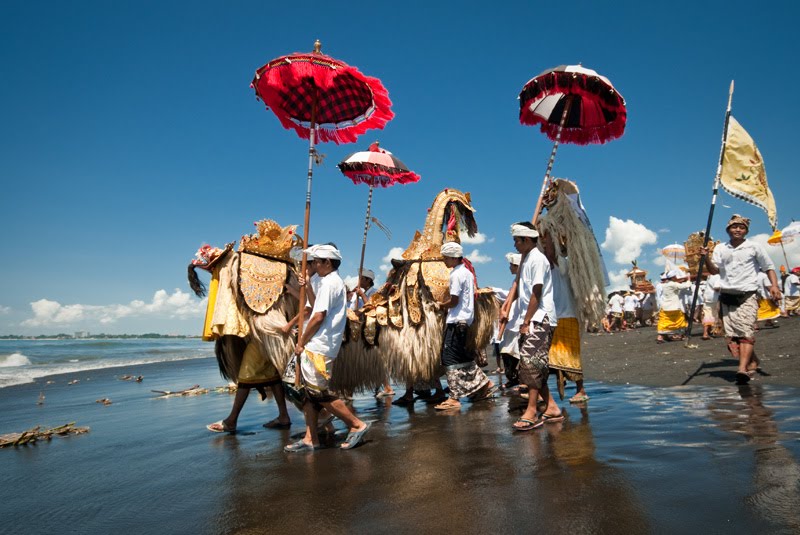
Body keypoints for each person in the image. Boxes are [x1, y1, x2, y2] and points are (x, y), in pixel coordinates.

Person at [284, 244, 371, 452]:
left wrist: (301, 342)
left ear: (328, 263)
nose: (313, 265)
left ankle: (357, 424)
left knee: (317, 392)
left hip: (319, 345)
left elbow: (318, 316)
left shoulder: (331, 283)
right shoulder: (326, 282)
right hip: (317, 343)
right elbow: (315, 307)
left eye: (316, 261)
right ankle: (310, 438)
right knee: (303, 390)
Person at [702, 214, 781, 384]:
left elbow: (769, 267)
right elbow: (714, 271)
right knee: (733, 336)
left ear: (746, 231)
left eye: (742, 227)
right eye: (734, 227)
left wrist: (774, 286)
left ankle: (742, 369)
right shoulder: (720, 248)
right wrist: (706, 257)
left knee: (745, 332)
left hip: (748, 295)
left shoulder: (754, 247)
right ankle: (753, 361)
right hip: (727, 296)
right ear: (728, 230)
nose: (738, 229)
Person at [507, 222, 563, 431]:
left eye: (517, 240)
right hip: (532, 318)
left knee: (532, 364)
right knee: (534, 365)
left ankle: (531, 411)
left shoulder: (538, 259)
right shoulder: (527, 259)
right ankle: (551, 407)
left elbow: (536, 293)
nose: (515, 244)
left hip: (540, 318)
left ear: (527, 240)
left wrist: (526, 321)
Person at [433, 241, 495, 411]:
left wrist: (440, 305)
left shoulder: (455, 275)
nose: (444, 261)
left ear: (453, 257)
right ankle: (486, 384)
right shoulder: (466, 273)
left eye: (445, 258)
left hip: (456, 321)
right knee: (463, 357)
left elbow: (454, 301)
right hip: (464, 321)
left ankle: (454, 398)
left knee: (449, 358)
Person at [541, 231, 589, 404]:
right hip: (557, 316)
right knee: (553, 357)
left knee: (570, 356)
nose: (545, 249)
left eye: (548, 245)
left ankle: (581, 390)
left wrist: (547, 229)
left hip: (566, 316)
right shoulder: (550, 267)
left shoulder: (562, 263)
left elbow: (550, 255)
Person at [497, 253, 522, 389]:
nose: (509, 268)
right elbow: (509, 296)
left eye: (512, 265)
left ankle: (522, 381)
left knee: (518, 353)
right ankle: (513, 378)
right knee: (506, 352)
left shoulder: (523, 280)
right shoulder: (515, 282)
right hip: (512, 322)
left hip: (520, 322)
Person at [656, 270, 691, 343]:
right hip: (674, 306)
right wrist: (688, 279)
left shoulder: (665, 284)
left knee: (664, 321)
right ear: (673, 277)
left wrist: (681, 280)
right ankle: (682, 335)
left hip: (665, 306)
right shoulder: (673, 284)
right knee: (679, 320)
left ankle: (660, 336)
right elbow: (686, 286)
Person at [701, 273, 721, 340]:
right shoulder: (718, 276)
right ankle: (714, 331)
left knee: (707, 315)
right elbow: (716, 287)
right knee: (715, 315)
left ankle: (705, 333)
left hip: (707, 297)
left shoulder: (710, 276)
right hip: (714, 298)